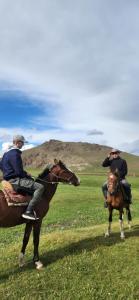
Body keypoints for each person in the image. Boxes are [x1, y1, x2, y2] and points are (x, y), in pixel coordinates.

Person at [0, 135, 44, 220]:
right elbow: (18, 172)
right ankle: (28, 211)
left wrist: (9, 173)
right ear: (17, 142)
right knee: (40, 187)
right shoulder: (15, 153)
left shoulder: (5, 154)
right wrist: (27, 175)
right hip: (16, 181)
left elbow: (1, 166)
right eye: (22, 143)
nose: (23, 145)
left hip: (8, 180)